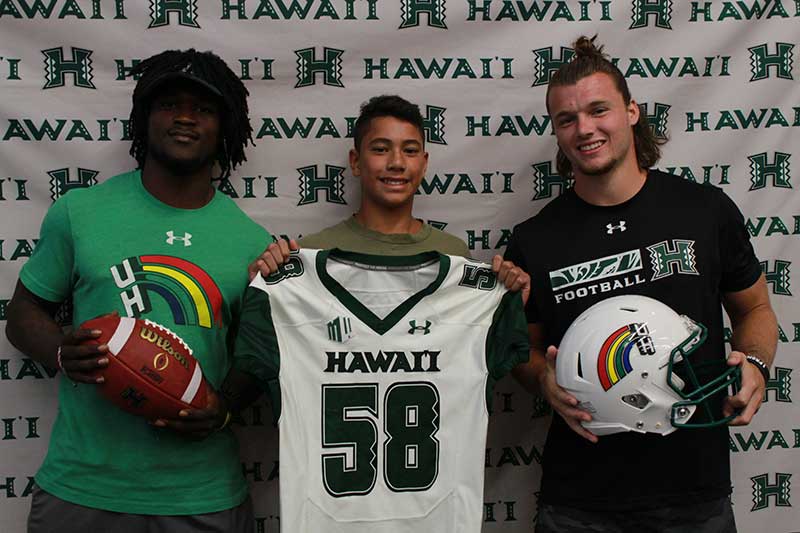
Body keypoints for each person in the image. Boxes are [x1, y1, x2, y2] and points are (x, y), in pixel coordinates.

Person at [505, 36, 778, 532]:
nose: (584, 129)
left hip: (695, 493)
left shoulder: (704, 210)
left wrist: (756, 364)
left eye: (598, 110)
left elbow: (755, 308)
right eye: (567, 119)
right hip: (579, 502)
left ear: (631, 111)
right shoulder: (534, 239)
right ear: (556, 132)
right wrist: (543, 378)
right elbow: (526, 348)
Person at [5, 49, 272, 532]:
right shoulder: (81, 213)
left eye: (205, 109)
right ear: (144, 117)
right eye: (170, 104)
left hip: (203, 492)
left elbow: (257, 357)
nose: (186, 118)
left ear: (226, 127)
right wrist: (60, 350)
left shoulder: (252, 242)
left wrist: (224, 407)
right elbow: (23, 314)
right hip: (82, 490)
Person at [255, 94, 530, 298]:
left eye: (410, 151)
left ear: (423, 164)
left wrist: (509, 296)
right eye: (380, 149)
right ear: (355, 161)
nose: (397, 162)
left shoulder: (454, 254)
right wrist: (263, 283)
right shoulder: (311, 255)